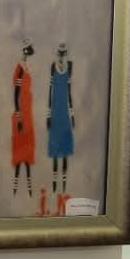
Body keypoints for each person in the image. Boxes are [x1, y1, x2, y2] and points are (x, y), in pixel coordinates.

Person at [47, 42, 76, 216]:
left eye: (63, 54)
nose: (61, 56)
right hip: (55, 111)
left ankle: (63, 185)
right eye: (59, 53)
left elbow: (69, 92)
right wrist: (48, 114)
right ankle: (54, 184)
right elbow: (50, 92)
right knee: (55, 147)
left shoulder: (69, 67)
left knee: (64, 148)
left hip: (64, 112)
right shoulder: (53, 67)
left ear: (66, 55)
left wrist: (72, 115)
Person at [11, 40, 37, 204]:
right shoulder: (20, 68)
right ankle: (16, 186)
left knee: (27, 148)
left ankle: (28, 185)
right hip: (22, 113)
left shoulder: (25, 67)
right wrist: (19, 116)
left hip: (28, 112)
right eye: (28, 51)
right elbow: (16, 94)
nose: (29, 54)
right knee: (20, 148)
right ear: (25, 51)